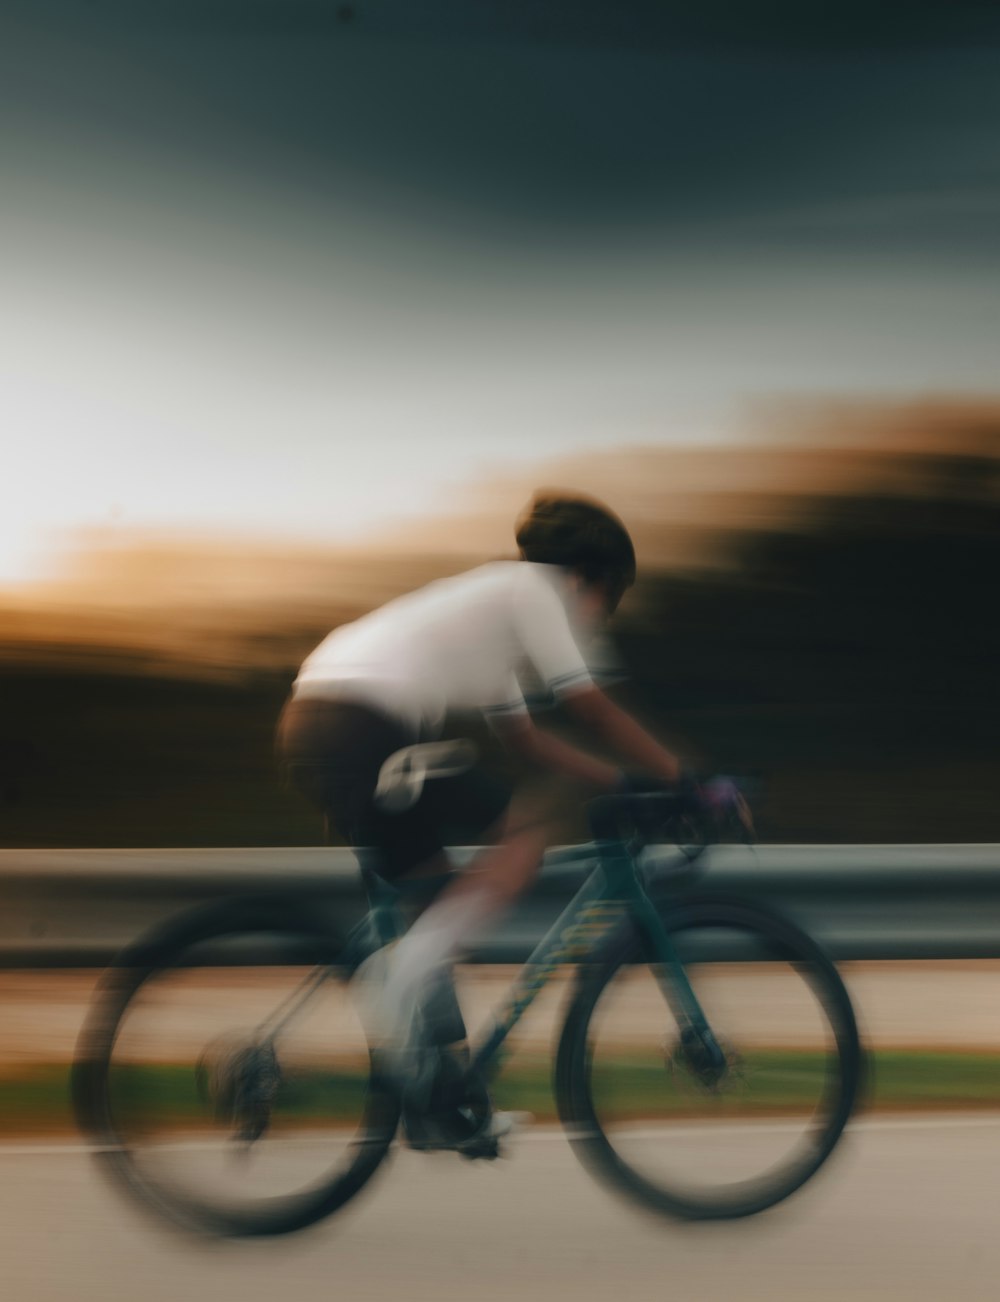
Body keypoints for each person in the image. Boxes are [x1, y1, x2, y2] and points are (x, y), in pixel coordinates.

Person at [276, 490, 683, 1150]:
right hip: (359, 724)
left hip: (324, 721)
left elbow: (528, 742)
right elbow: (592, 707)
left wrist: (625, 782)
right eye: (608, 600)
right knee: (527, 828)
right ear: (588, 579)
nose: (601, 617)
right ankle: (395, 980)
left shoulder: (496, 613)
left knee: (439, 907)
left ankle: (442, 1102)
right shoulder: (536, 590)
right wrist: (683, 779)